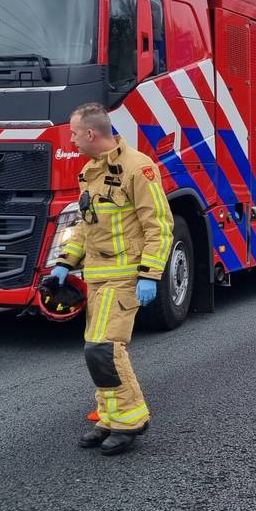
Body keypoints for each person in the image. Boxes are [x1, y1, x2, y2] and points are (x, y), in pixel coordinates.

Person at [50, 102, 173, 456]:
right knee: (97, 352)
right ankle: (110, 417)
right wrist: (64, 263)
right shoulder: (90, 171)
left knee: (105, 349)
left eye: (74, 133)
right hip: (97, 278)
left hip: (124, 278)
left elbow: (159, 227)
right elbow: (86, 227)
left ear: (91, 133)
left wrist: (149, 275)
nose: (71, 140)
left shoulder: (139, 168)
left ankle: (131, 420)